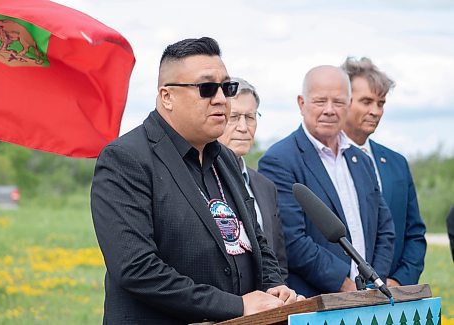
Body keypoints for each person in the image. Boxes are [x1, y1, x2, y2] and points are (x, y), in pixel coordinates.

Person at [90, 37, 301, 325]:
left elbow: (257, 242)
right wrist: (234, 306)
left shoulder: (224, 158)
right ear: (167, 96)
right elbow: (136, 268)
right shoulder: (126, 159)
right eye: (206, 88)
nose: (221, 99)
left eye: (227, 88)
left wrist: (273, 288)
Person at [258, 65, 395, 298]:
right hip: (317, 301)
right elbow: (291, 239)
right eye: (320, 101)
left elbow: (384, 228)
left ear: (349, 104)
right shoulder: (280, 160)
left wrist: (374, 280)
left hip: (370, 298)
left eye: (339, 102)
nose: (329, 110)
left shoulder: (361, 159)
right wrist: (345, 285)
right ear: (302, 103)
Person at [341, 57, 427, 286]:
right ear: (344, 101)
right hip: (339, 295)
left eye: (381, 103)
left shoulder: (397, 163)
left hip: (393, 296)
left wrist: (399, 281)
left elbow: (415, 234)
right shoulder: (322, 162)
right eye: (366, 101)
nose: (375, 111)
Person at [218, 77, 289, 282]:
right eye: (234, 117)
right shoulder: (199, 180)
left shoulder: (265, 187)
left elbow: (279, 261)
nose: (243, 127)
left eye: (250, 117)